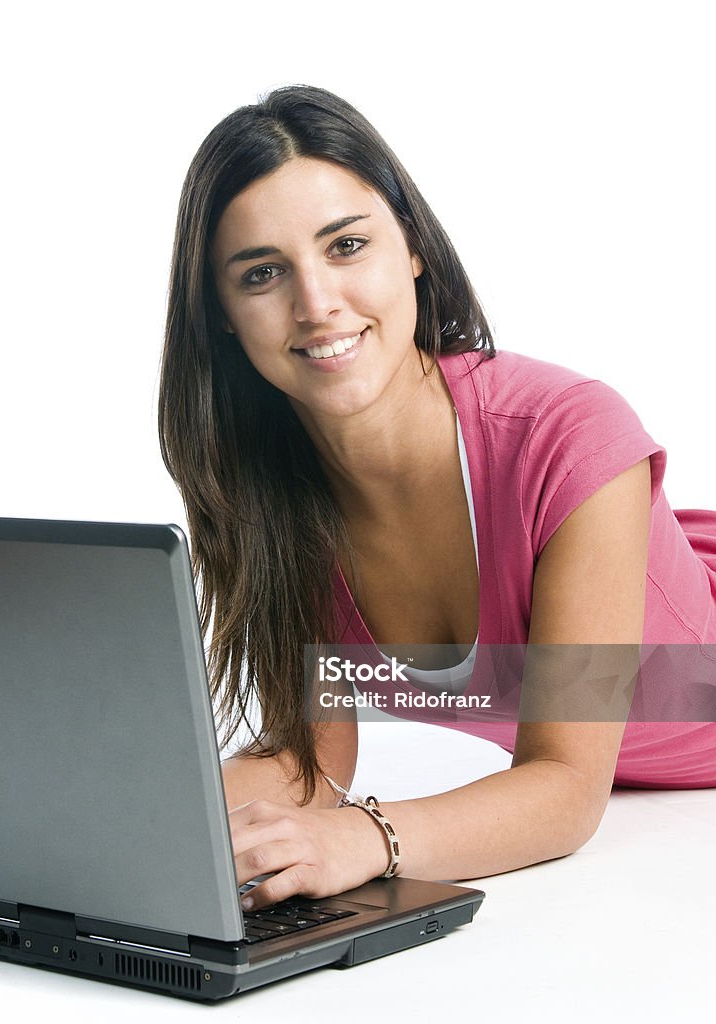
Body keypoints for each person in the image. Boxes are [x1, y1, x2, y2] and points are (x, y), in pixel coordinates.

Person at [157, 85, 716, 911]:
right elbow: (311, 766)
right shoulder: (271, 497)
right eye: (264, 273)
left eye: (346, 246)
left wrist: (362, 839)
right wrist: (137, 820)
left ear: (412, 248)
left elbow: (564, 788)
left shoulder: (566, 436)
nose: (316, 305)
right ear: (224, 318)